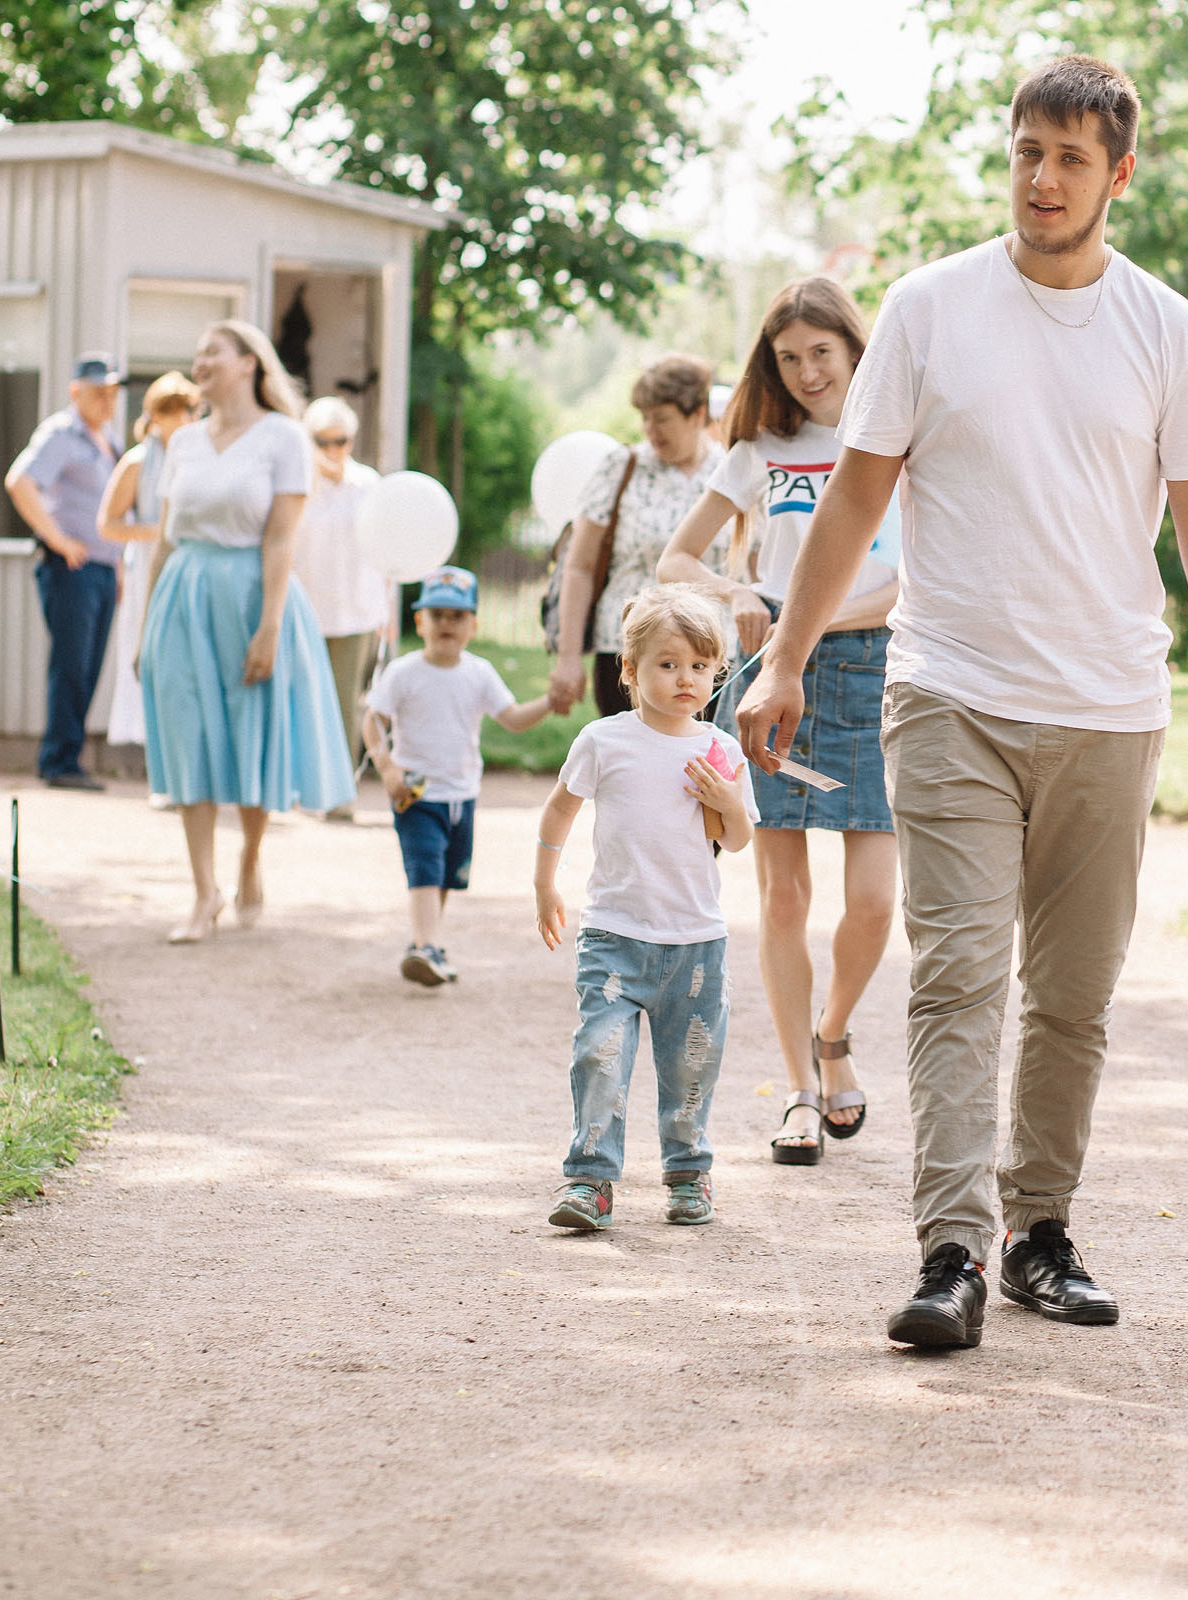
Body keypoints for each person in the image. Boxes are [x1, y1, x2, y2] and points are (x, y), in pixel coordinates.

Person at [736, 55, 1188, 1351]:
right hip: (952, 692)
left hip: (1109, 706)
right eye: (1028, 152)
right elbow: (857, 496)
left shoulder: (1173, 335)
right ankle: (952, 1252)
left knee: (1073, 995)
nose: (1043, 178)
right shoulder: (929, 310)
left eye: (1072, 159)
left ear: (1119, 175)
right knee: (960, 977)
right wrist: (787, 654)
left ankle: (1041, 1233)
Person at [659, 278, 900, 1164]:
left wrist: (807, 618)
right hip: (772, 684)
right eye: (788, 357)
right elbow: (676, 558)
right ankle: (801, 1088)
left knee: (873, 902)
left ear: (856, 350)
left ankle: (833, 1033)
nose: (806, 371)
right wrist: (737, 595)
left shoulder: (898, 437)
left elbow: (912, 585)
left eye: (821, 353)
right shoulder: (760, 450)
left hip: (874, 676)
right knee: (784, 897)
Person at [534, 585, 757, 1231]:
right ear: (629, 671)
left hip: (695, 940)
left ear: (716, 671)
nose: (686, 679)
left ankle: (688, 1173)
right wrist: (545, 883)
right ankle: (589, 1180)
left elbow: (736, 839)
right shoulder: (603, 740)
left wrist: (727, 800)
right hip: (614, 934)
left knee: (691, 1066)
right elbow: (560, 809)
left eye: (700, 666)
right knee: (598, 1055)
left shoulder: (720, 750)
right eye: (668, 664)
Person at [138, 320, 354, 945]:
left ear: (249, 363)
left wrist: (269, 627)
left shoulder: (284, 437)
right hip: (184, 598)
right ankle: (203, 892)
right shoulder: (182, 442)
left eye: (214, 352)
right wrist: (148, 626)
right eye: (197, 352)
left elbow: (282, 539)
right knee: (188, 736)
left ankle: (250, 857)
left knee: (250, 734)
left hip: (252, 597)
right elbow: (165, 541)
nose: (200, 361)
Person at [362, 565, 558, 986]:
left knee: (446, 876)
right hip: (416, 793)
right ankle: (424, 945)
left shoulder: (478, 672)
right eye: (437, 615)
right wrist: (387, 767)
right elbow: (372, 720)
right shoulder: (403, 672)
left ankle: (427, 943)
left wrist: (549, 701)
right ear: (420, 622)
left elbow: (512, 718)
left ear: (473, 626)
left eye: (457, 616)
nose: (446, 624)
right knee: (425, 868)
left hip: (462, 795)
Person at [545, 356, 724, 719]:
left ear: (697, 414)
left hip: (710, 659)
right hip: (628, 654)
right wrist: (568, 658)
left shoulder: (730, 470)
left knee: (707, 756)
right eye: (645, 418)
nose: (650, 429)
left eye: (662, 418)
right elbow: (580, 566)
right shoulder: (622, 467)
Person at [7, 352, 126, 790]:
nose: (107, 401)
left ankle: (67, 756)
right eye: (98, 392)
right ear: (76, 392)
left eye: (112, 392)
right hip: (71, 569)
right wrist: (58, 539)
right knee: (72, 665)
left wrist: (118, 565)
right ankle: (59, 761)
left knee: (89, 666)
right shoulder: (61, 434)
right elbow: (20, 482)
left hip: (103, 569)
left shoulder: (108, 440)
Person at [295, 395, 394, 822]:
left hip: (357, 611)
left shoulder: (369, 485)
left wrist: (387, 612)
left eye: (342, 441)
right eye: (324, 441)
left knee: (345, 703)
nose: (333, 450)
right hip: (306, 609)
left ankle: (339, 794)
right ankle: (305, 788)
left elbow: (386, 552)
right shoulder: (298, 484)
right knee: (304, 700)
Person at [100, 371, 202, 780]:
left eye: (190, 411)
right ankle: (154, 757)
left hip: (192, 564)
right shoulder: (138, 462)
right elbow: (108, 524)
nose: (185, 419)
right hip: (148, 565)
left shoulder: (200, 456)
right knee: (150, 651)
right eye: (176, 411)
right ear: (157, 416)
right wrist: (156, 533)